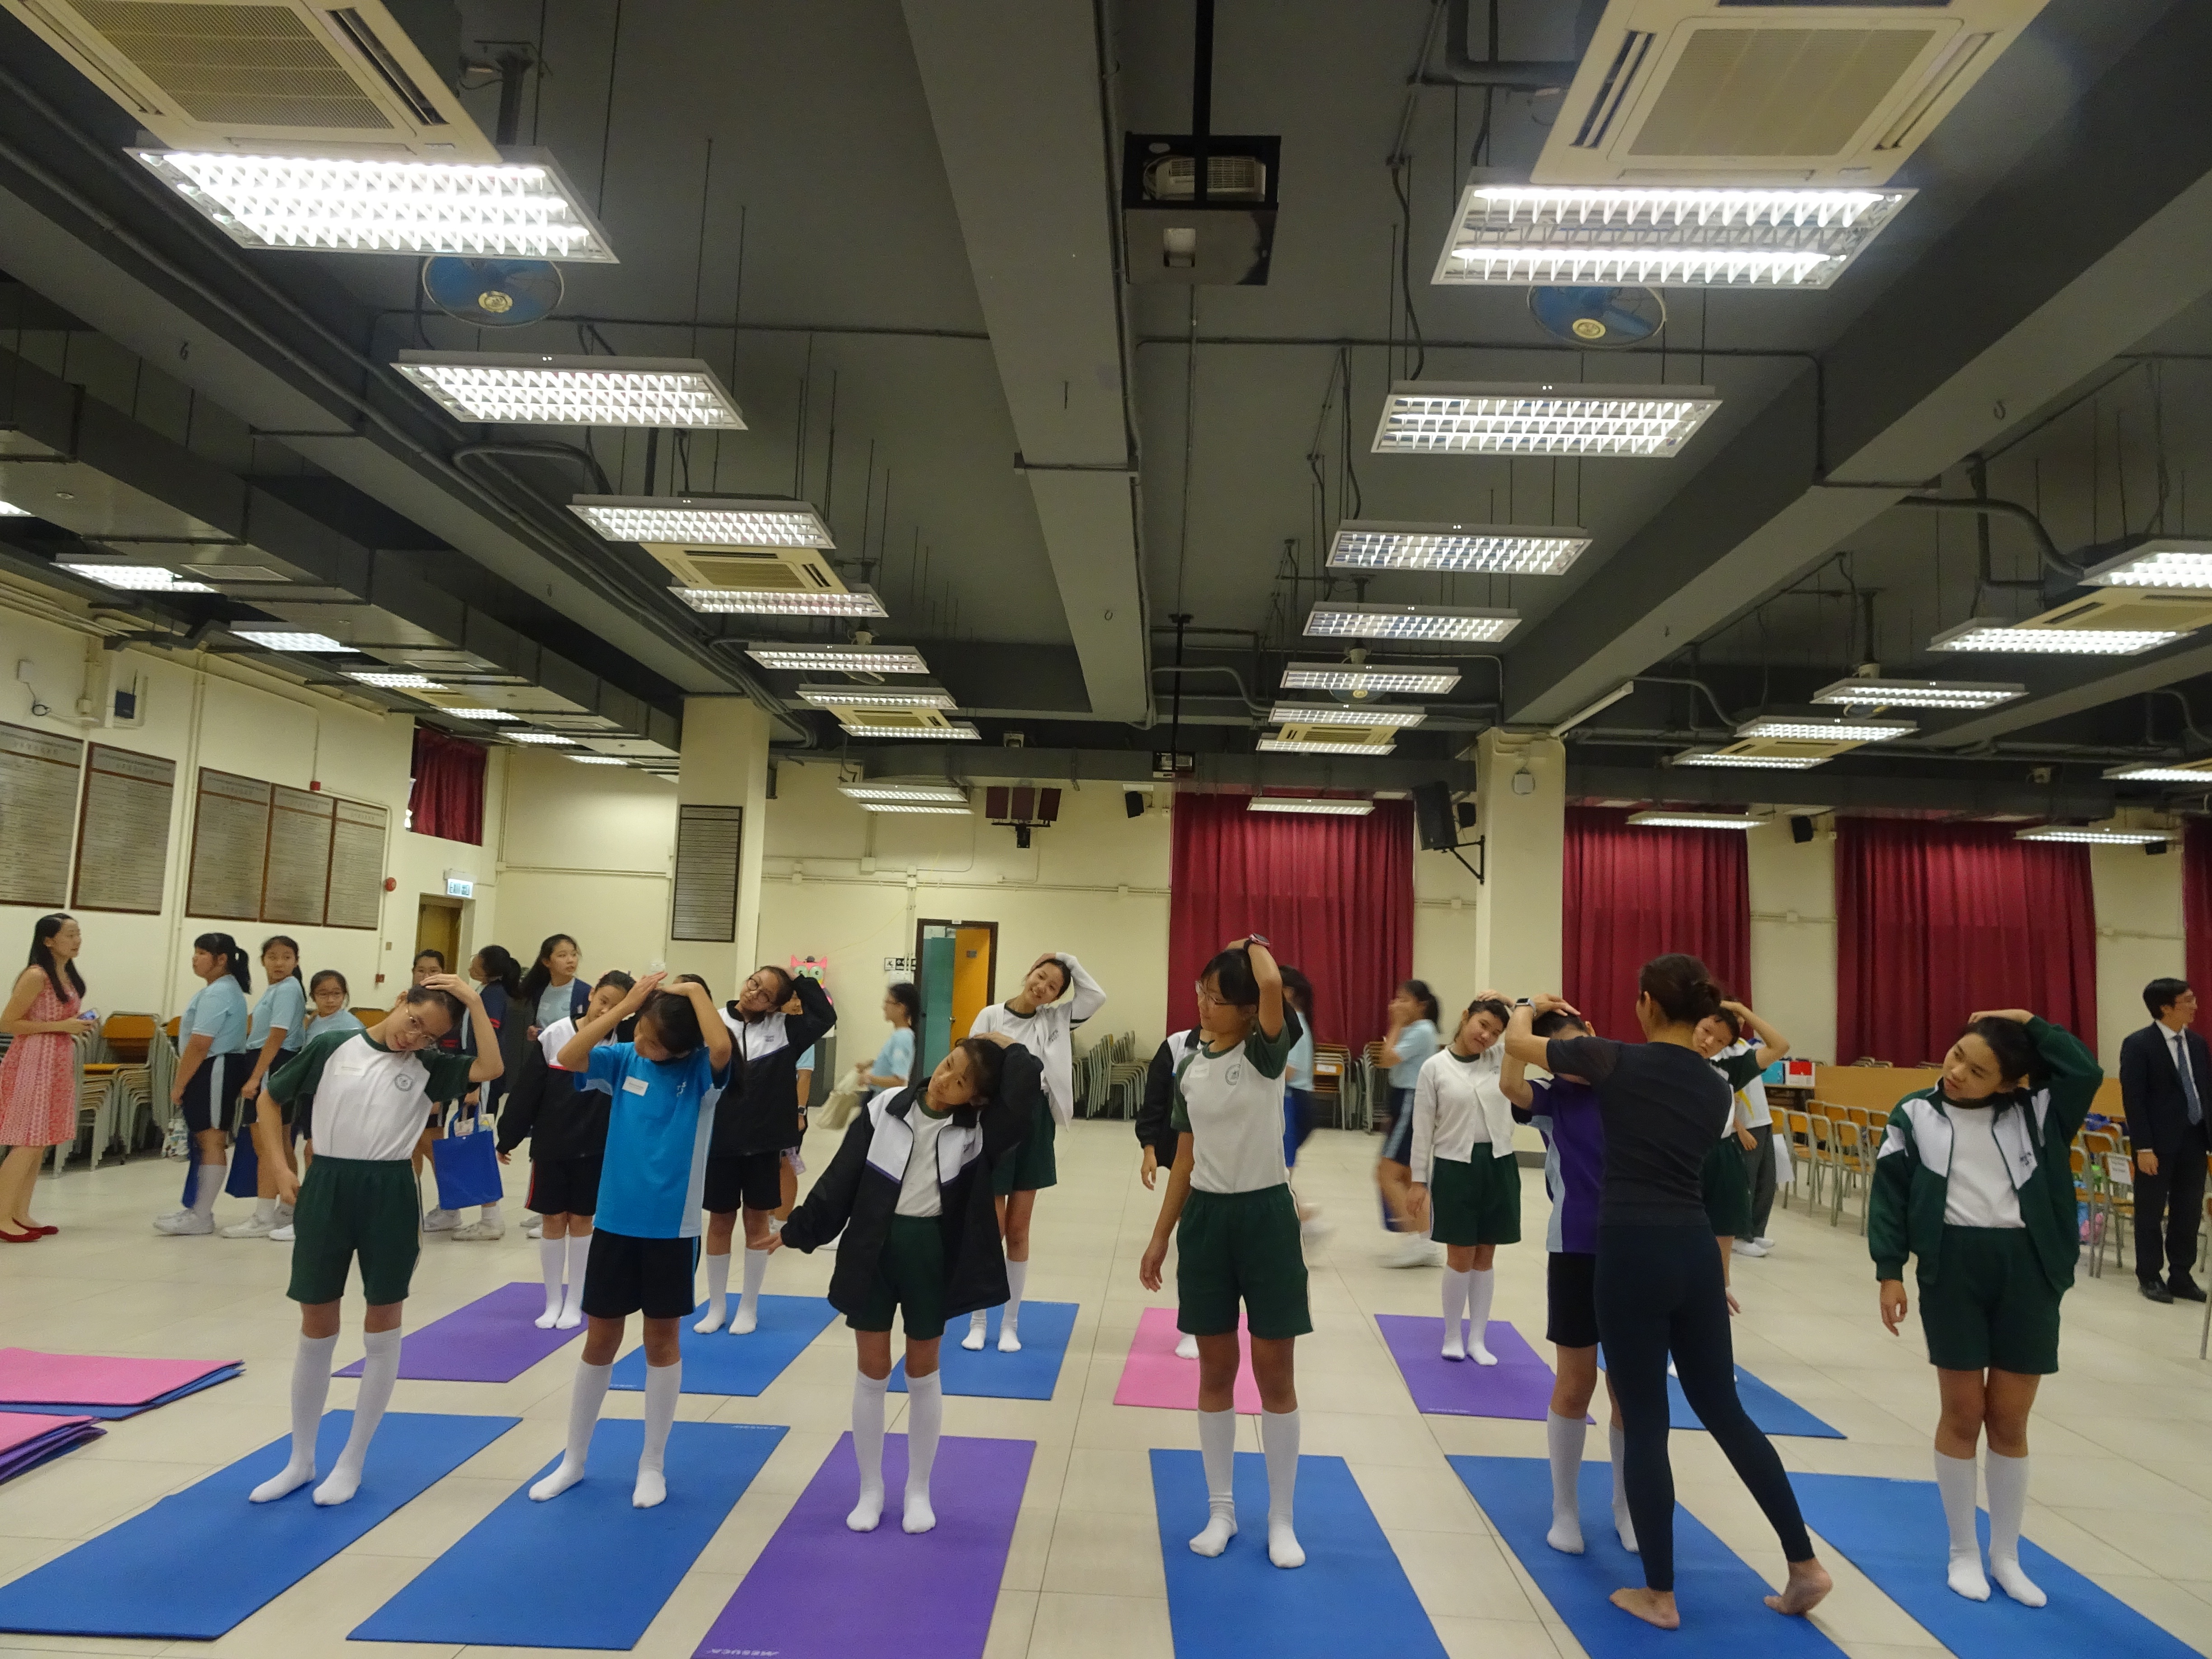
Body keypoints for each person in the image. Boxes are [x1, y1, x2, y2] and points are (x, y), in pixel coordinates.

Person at [1502, 960, 1831, 1631]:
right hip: (1696, 1250)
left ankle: (1660, 1593)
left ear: (1647, 1003)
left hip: (1632, 1250)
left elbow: (1515, 1044)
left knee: (1646, 1418)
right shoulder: (1715, 1083)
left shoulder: (1615, 1059)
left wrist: (1527, 1002)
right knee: (1726, 1412)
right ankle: (1804, 1564)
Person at [1871, 1009, 2102, 1607]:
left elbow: (2085, 1072)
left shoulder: (2038, 1112)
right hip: (1952, 1269)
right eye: (1957, 1056)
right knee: (1963, 1412)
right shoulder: (1914, 1114)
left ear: (2008, 1083)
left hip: (2028, 1270)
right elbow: (1889, 1195)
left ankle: (2006, 1555)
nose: (1957, 1073)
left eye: (1978, 1072)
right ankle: (1963, 1551)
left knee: (2009, 1419)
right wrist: (1890, 1271)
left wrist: (2033, 1022)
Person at [773, 1031, 1038, 1534]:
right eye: (948, 1064)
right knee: (872, 1370)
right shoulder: (886, 1108)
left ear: (977, 1098)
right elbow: (840, 1179)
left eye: (960, 1081)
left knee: (922, 1370)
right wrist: (798, 1230)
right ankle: (870, 1488)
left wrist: (1009, 1045)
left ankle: (918, 1489)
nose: (944, 1078)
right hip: (873, 1250)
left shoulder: (980, 1131)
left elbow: (1025, 1086)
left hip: (931, 1256)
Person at [249, 975, 499, 1506]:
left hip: (390, 1191)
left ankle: (352, 1461)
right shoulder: (330, 1046)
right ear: (402, 1001)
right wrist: (280, 1165)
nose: (414, 1038)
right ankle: (300, 1459)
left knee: (382, 1320)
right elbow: (269, 1101)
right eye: (415, 1022)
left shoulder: (429, 1067)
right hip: (327, 1185)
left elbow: (491, 1068)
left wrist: (475, 1002)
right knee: (316, 1320)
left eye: (429, 1036)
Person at [530, 974, 732, 1509]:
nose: (642, 1042)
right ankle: (574, 1460)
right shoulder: (623, 1059)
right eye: (640, 1030)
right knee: (600, 1340)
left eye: (653, 1040)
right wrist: (628, 1008)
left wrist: (695, 993)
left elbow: (721, 1048)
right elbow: (569, 1056)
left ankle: (652, 1464)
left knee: (661, 1341)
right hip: (615, 1224)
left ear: (680, 1048)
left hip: (672, 1231)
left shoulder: (701, 1073)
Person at [1140, 936, 1308, 1570]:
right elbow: (1184, 1161)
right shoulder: (1189, 1064)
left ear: (1245, 1010)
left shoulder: (1266, 1054)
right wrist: (1161, 1236)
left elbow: (1271, 984)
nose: (1204, 1005)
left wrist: (1251, 943)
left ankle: (1282, 1519)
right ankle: (1221, 1510)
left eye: (1217, 997)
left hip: (1266, 1218)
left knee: (1274, 1373)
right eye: (1201, 993)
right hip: (1207, 1223)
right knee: (1215, 1370)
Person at [1500, 1005, 1636, 1557]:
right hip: (1575, 1249)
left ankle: (1626, 1505)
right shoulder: (1552, 1099)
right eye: (1560, 1056)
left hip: (1632, 1248)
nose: (1575, 1062)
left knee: (1629, 1387)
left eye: (1580, 1047)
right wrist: (1524, 1010)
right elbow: (1509, 1083)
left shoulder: (1626, 1088)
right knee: (1576, 1383)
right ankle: (1565, 1508)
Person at [964, 951, 1106, 1354]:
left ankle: (1010, 1323)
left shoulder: (1055, 1019)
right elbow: (970, 1065)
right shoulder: (991, 1015)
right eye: (1040, 976)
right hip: (994, 1119)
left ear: (1057, 996)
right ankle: (978, 1320)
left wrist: (1066, 960)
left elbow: (1096, 997)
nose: (1042, 987)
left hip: (1035, 1122)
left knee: (1019, 1230)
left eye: (1053, 987)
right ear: (1029, 973)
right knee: (991, 1229)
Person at [698, 966, 834, 1334]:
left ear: (775, 1005)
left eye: (765, 995)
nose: (753, 993)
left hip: (763, 1144)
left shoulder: (786, 1030)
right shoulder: (716, 1020)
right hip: (720, 1142)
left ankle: (749, 1306)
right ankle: (716, 1305)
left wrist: (798, 978)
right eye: (753, 983)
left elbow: (825, 1015)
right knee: (720, 1222)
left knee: (757, 1222)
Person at [499, 970, 633, 1328]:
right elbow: (528, 1090)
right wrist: (508, 1136)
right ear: (591, 995)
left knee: (583, 1221)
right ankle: (552, 1300)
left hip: (597, 1149)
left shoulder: (626, 1044)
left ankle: (576, 1300)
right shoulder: (556, 1034)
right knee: (553, 1220)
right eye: (603, 1001)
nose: (605, 1010)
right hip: (553, 1146)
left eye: (617, 1007)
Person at [1406, 993, 1517, 1363]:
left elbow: (1528, 1029)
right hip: (1454, 1166)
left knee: (1486, 1254)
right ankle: (1453, 1334)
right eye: (1483, 1025)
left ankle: (1478, 1339)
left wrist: (1511, 1003)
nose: (1487, 1036)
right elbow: (1422, 1128)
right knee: (1460, 1254)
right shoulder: (1434, 1068)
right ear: (1466, 1015)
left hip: (1498, 1164)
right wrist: (1418, 1181)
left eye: (1496, 1032)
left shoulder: (1501, 1058)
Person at [0, 914, 96, 1241]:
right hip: (32, 1061)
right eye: (70, 935)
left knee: (39, 1142)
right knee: (27, 1141)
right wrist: (60, 1026)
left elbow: (55, 1018)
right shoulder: (35, 975)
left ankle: (20, 1212)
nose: (77, 940)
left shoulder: (66, 975)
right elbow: (8, 1022)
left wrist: (76, 1023)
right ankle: (2, 1215)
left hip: (57, 1060)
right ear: (48, 941)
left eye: (78, 934)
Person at [155, 933, 253, 1236]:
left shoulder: (219, 993)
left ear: (221, 960)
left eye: (201, 953)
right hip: (209, 1068)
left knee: (212, 1139)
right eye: (195, 952)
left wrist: (179, 1084)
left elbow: (200, 1044)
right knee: (204, 1138)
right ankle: (196, 1209)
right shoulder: (217, 990)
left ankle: (202, 1215)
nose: (195, 959)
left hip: (215, 1068)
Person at [2118, 978, 2208, 1304]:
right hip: (2155, 1145)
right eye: (2188, 1000)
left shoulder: (2197, 1044)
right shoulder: (2139, 1044)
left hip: (2194, 1139)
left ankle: (2181, 1275)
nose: (2195, 1006)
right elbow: (2134, 1100)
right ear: (2166, 1008)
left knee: (2188, 1211)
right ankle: (2150, 1275)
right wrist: (2143, 1147)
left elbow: (2205, 1091)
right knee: (2150, 1212)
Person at [225, 937, 308, 1240]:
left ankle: (264, 1217)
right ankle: (288, 1209)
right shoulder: (280, 989)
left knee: (266, 1146)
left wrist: (255, 1078)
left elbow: (277, 1036)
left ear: (296, 961)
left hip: (273, 1063)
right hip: (272, 1062)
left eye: (287, 957)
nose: (279, 963)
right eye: (273, 957)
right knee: (281, 1143)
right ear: (262, 961)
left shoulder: (287, 989)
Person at [274, 970, 365, 1240]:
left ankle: (315, 1218)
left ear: (345, 995)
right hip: (313, 1096)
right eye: (323, 994)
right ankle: (312, 1213)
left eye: (337, 994)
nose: (331, 1000)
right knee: (312, 1152)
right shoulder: (313, 1022)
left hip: (338, 1097)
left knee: (318, 1152)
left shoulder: (351, 1025)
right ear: (313, 996)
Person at [1136, 1014, 1207, 1360]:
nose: (1208, 1005)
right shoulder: (1178, 1047)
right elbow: (1154, 1102)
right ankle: (1191, 1327)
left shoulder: (1251, 1050)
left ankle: (1213, 1323)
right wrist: (1149, 1149)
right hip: (1187, 1158)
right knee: (1192, 1242)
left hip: (1236, 1166)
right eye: (1204, 995)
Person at [446, 944, 525, 1242]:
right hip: (474, 1077)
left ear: (488, 966)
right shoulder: (484, 991)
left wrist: (475, 1087)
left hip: (483, 1082)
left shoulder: (492, 996)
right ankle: (469, 1212)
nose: (472, 962)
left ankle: (491, 1219)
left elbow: (484, 1041)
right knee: (475, 1142)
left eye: (477, 958)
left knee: (480, 1143)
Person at [1376, 979, 1442, 1268]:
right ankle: (1425, 1240)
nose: (1396, 1005)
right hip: (1404, 1100)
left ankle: (1417, 1240)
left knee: (1386, 1174)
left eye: (1404, 1000)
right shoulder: (1418, 1030)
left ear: (1421, 1005)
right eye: (1396, 999)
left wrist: (1396, 1025)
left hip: (1411, 1101)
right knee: (1408, 1177)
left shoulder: (1422, 1030)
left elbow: (1386, 1059)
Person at [1279, 968, 1326, 1241]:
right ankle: (1303, 1220)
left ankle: (1305, 1222)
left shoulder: (1293, 1023)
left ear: (1288, 993)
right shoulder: (1292, 1021)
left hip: (1293, 1103)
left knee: (1281, 1173)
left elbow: (1288, 1071)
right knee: (1277, 1172)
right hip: (1293, 1101)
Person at [519, 934, 588, 1036]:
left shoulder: (585, 992)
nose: (571, 960)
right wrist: (535, 1031)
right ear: (547, 962)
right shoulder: (539, 990)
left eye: (574, 955)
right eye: (562, 956)